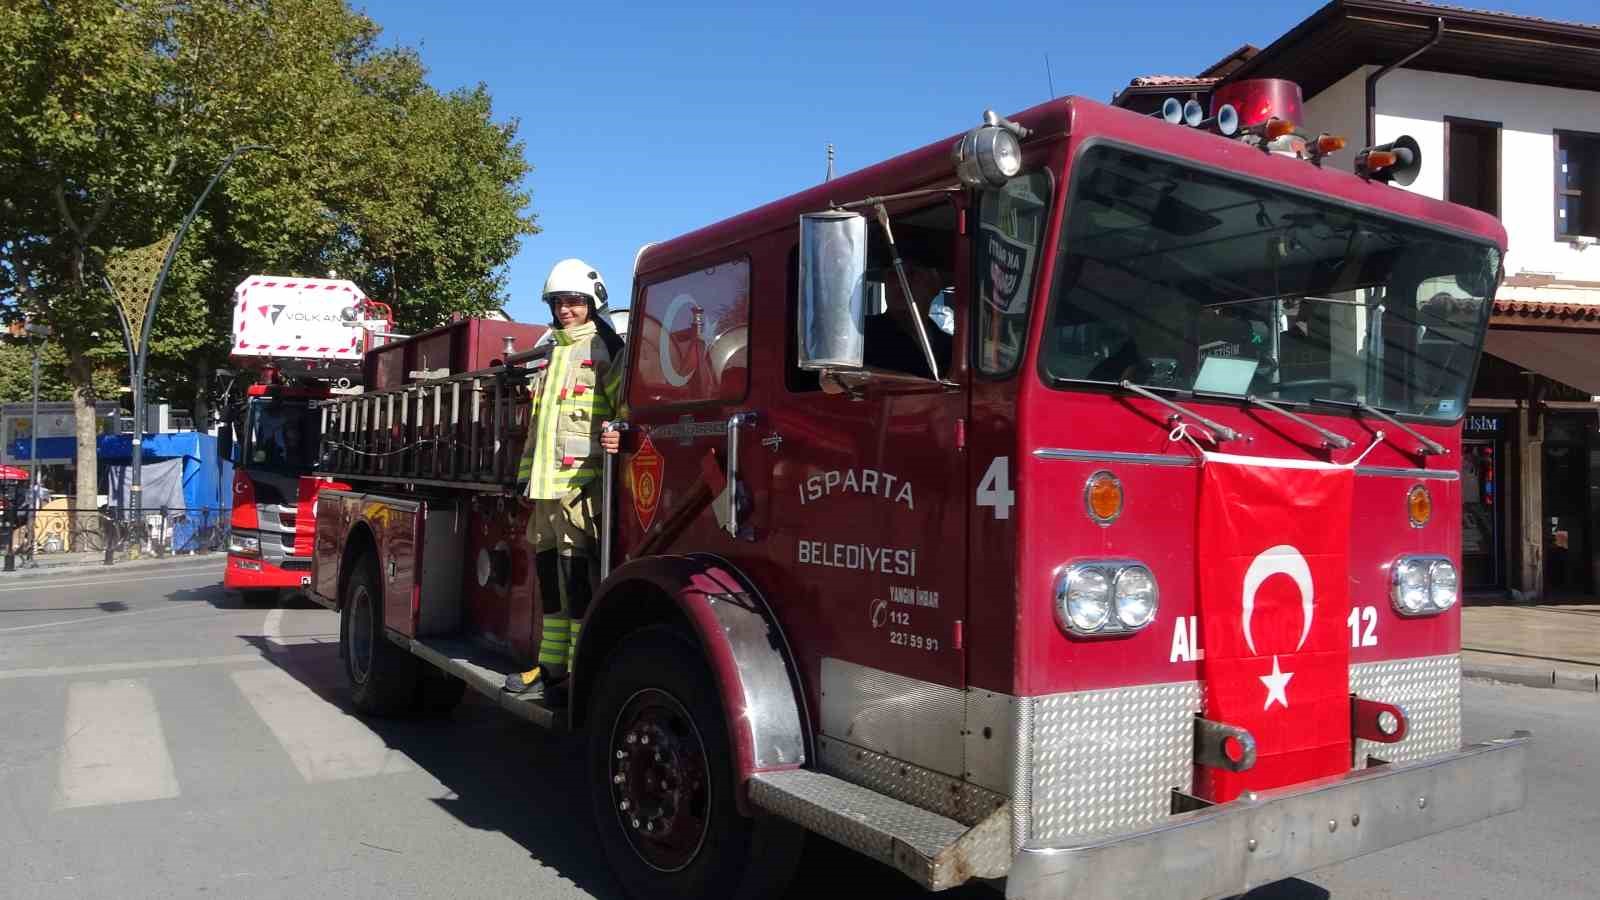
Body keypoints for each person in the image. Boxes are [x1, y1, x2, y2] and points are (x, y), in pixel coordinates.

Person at [504, 259, 626, 702]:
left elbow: (624, 408)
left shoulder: (606, 347)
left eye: (574, 302)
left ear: (592, 303)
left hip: (580, 483)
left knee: (577, 576)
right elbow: (541, 423)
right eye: (558, 303)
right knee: (548, 575)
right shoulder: (554, 350)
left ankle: (578, 671)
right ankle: (551, 666)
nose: (566, 310)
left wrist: (618, 433)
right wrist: (524, 479)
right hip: (544, 486)